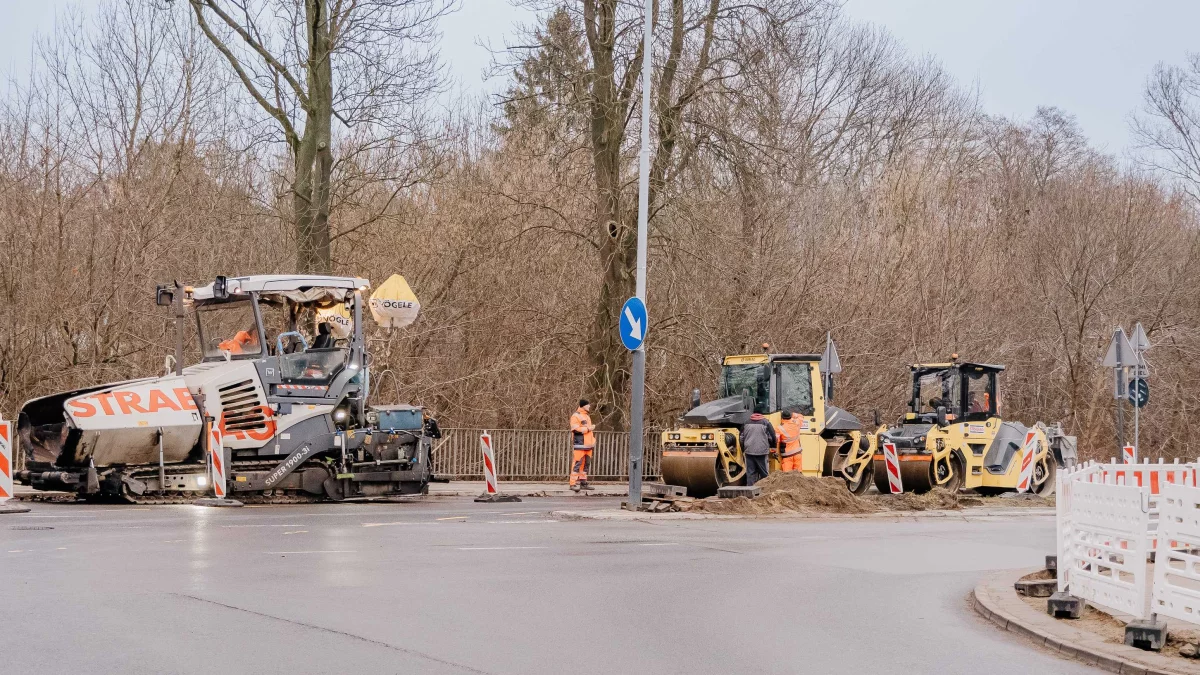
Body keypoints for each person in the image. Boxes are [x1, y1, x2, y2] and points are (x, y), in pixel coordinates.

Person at [741, 411, 776, 486]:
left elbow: (741, 438)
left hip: (749, 451)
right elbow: (772, 436)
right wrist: (773, 446)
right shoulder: (766, 422)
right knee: (764, 473)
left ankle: (750, 490)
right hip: (762, 451)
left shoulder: (746, 422)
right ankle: (765, 489)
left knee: (750, 473)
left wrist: (742, 449)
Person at [569, 399, 596, 492]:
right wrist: (589, 428)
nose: (589, 406)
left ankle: (583, 482)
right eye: (588, 405)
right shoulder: (576, 416)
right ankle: (572, 484)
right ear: (583, 406)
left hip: (588, 445)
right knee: (577, 464)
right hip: (580, 444)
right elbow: (575, 429)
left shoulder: (587, 416)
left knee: (586, 465)